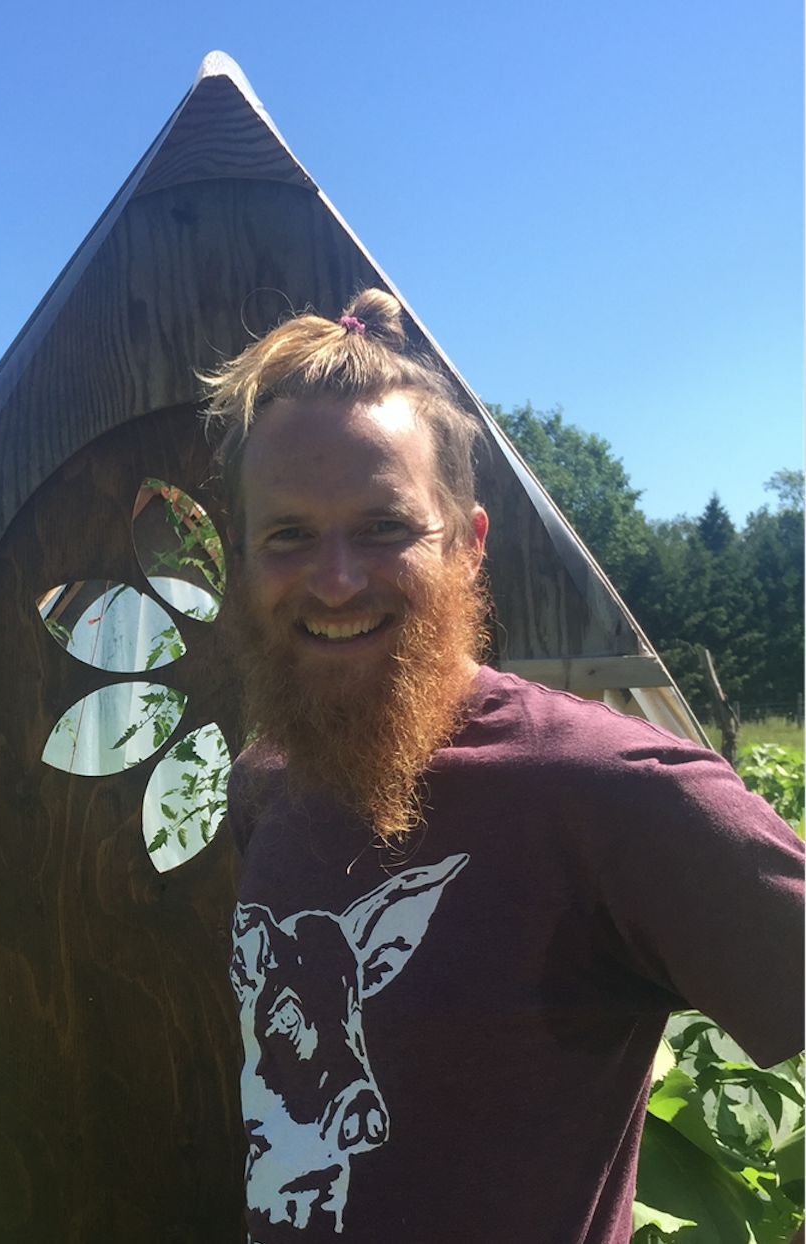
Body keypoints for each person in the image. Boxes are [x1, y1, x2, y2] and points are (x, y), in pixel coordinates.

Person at [203, 289, 804, 1242]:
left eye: (384, 527)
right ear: (241, 558)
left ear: (467, 546)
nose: (335, 579)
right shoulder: (266, 782)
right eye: (288, 535)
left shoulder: (610, 791)